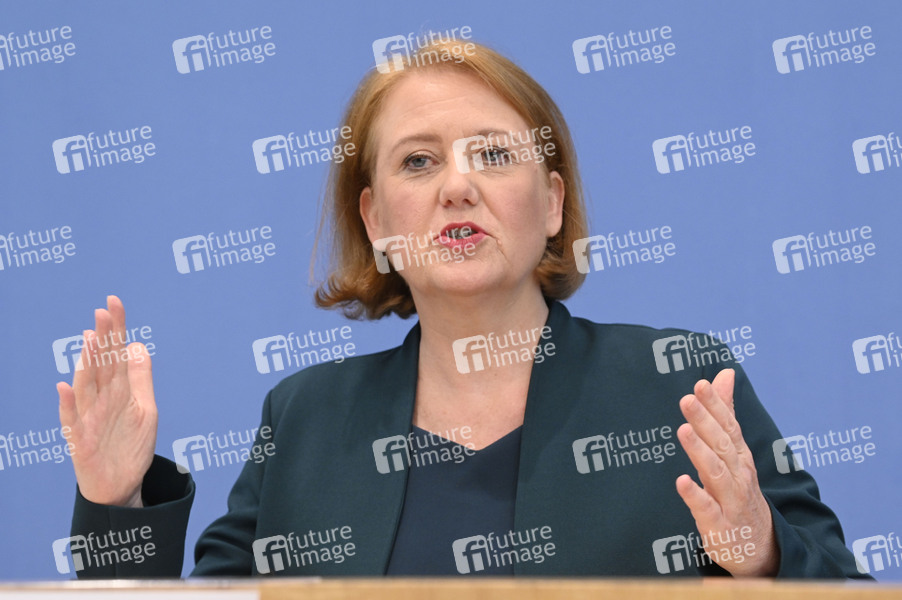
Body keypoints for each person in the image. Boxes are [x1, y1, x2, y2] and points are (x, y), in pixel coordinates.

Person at [57, 39, 867, 578]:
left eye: (494, 154)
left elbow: (844, 588)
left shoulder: (678, 384)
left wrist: (761, 552)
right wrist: (116, 504)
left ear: (551, 203)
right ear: (376, 221)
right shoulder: (305, 418)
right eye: (418, 162)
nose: (457, 186)